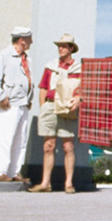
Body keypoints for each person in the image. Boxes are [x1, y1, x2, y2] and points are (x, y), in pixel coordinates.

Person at [29, 33, 81, 194]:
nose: (60, 48)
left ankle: (69, 183)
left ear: (71, 48)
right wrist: (43, 106)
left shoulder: (78, 68)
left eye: (64, 46)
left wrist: (78, 99)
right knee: (48, 145)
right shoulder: (50, 66)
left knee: (68, 146)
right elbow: (43, 88)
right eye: (59, 45)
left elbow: (84, 89)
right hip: (50, 107)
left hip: (67, 108)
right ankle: (45, 183)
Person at [0, 26, 34, 183]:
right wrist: (1, 96)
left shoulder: (27, 59)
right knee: (5, 138)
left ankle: (13, 172)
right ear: (21, 40)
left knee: (20, 140)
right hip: (10, 104)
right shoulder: (4, 56)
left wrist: (29, 98)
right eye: (29, 39)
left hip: (23, 104)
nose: (31, 41)